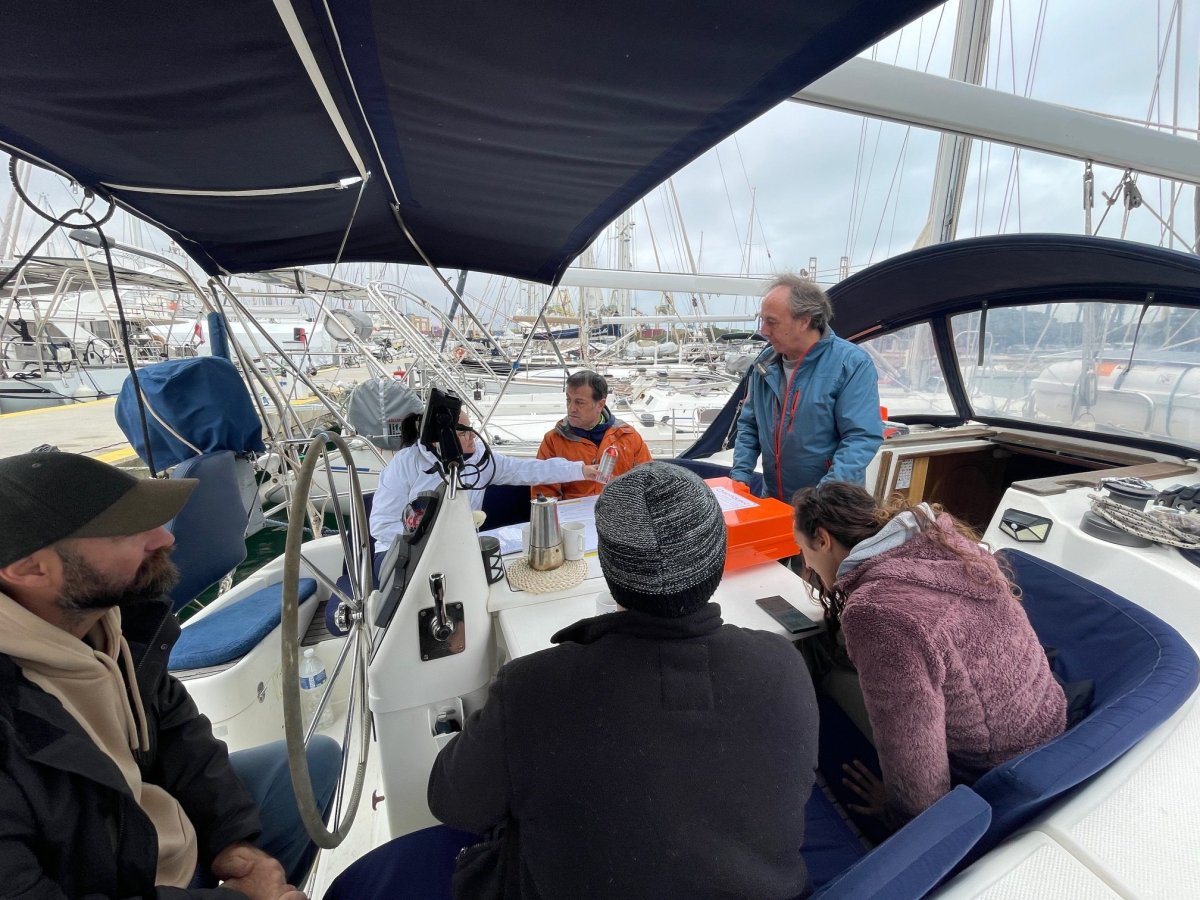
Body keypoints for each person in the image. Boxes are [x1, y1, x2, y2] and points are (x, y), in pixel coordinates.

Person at [429, 462, 820, 899]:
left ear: (612, 576)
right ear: (717, 559)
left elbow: (452, 801)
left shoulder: (533, 689)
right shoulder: (783, 664)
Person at [0, 451, 338, 899]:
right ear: (29, 569)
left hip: (150, 836)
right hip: (101, 876)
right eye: (128, 530)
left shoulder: (117, 626)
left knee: (313, 761)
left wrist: (234, 840)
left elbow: (180, 734)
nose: (164, 538)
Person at [790, 480, 1067, 830]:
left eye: (804, 551)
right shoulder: (945, 542)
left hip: (996, 759)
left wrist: (903, 813)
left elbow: (911, 737)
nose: (808, 565)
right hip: (1049, 716)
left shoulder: (876, 611)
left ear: (824, 540)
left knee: (830, 682)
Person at [730, 275, 883, 502]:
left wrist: (820, 500)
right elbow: (749, 425)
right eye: (762, 321)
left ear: (804, 321)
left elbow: (860, 438)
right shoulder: (765, 363)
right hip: (775, 500)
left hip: (830, 508)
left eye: (772, 322)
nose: (763, 330)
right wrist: (740, 477)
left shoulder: (851, 363)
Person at [370, 408, 600, 558]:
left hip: (461, 549)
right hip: (401, 551)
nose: (473, 435)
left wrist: (581, 470)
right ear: (438, 439)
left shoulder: (481, 459)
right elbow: (382, 526)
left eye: (472, 428)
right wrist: (435, 541)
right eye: (464, 432)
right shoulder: (405, 464)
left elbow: (527, 470)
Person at [530, 370, 652, 500]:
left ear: (600, 404)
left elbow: (649, 484)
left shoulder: (628, 437)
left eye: (579, 402)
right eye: (568, 400)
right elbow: (544, 496)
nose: (571, 408)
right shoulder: (553, 440)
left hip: (619, 516)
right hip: (572, 518)